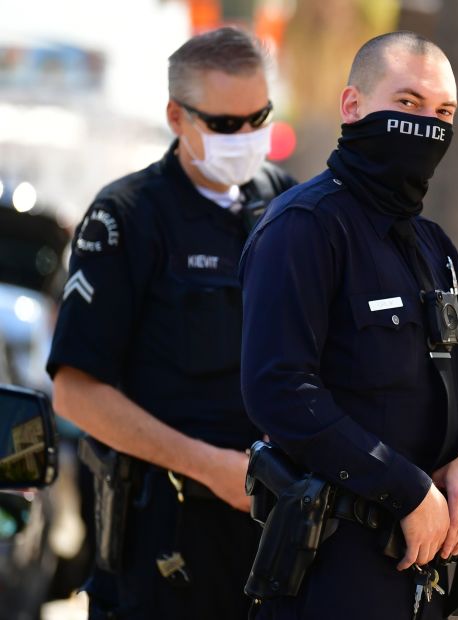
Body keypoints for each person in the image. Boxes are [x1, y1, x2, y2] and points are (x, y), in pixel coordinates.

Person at [238, 32, 458, 619]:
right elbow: (279, 390)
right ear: (352, 107)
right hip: (332, 571)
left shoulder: (432, 244)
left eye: (444, 112)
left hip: (424, 575)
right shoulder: (304, 228)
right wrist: (406, 488)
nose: (428, 126)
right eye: (408, 103)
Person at [47, 27, 295, 619]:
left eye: (258, 117)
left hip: (278, 548)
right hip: (166, 552)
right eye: (225, 124)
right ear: (176, 117)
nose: (245, 138)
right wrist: (211, 467)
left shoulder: (286, 203)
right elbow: (75, 394)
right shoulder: (127, 216)